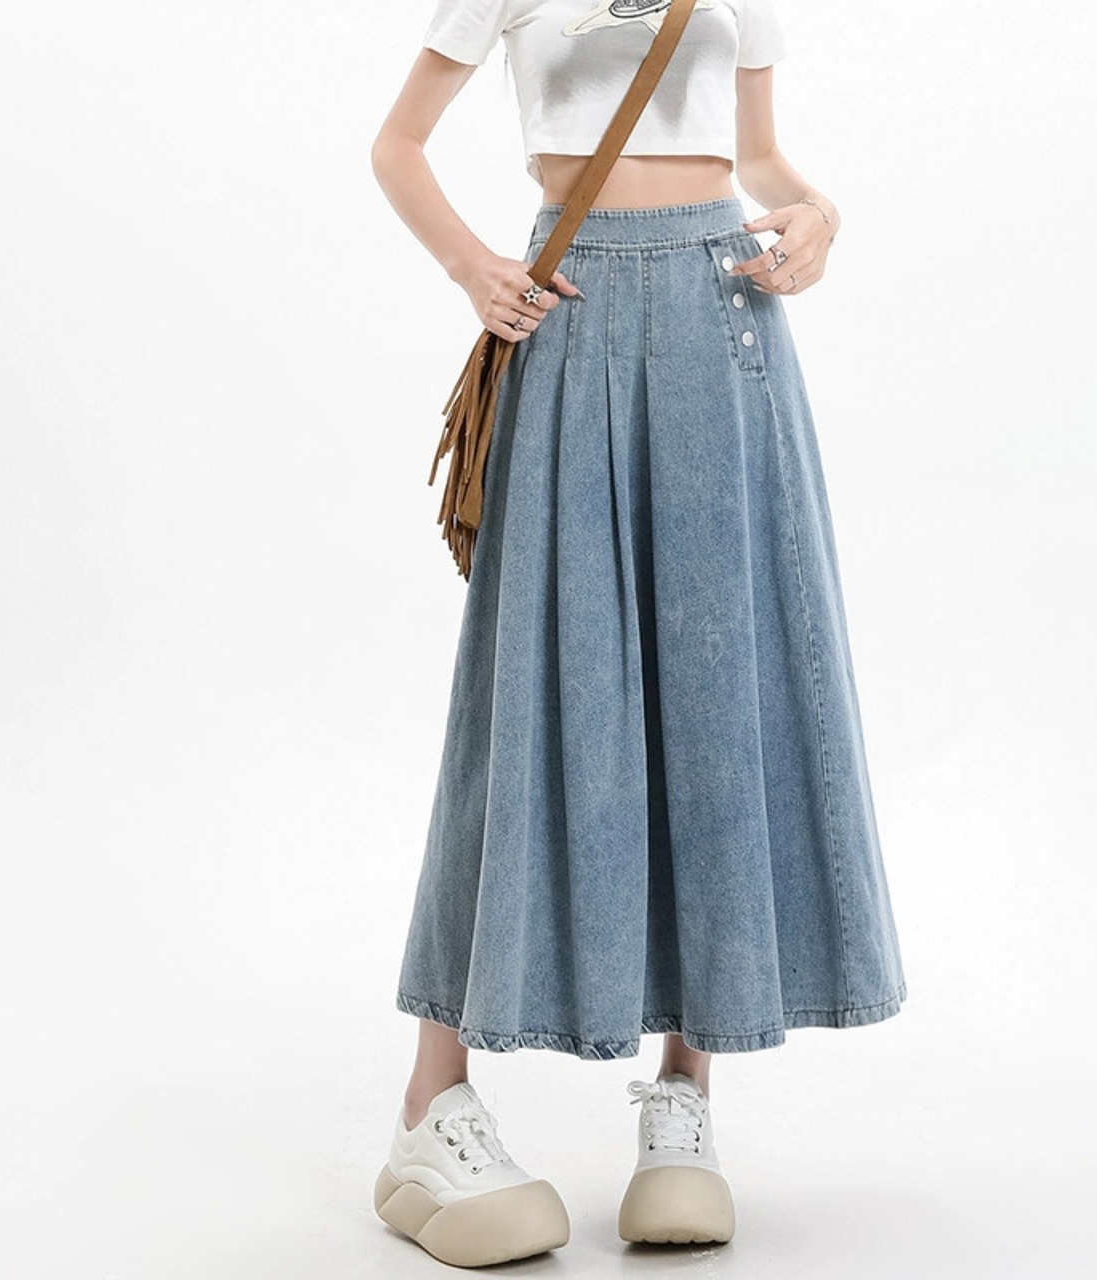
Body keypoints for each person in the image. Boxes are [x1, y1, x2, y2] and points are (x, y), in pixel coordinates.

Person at [368, 0, 907, 1267]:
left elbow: (757, 159)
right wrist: (471, 266)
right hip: (565, 305)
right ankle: (429, 1105)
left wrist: (817, 216)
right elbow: (397, 143)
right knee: (527, 687)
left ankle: (684, 1096)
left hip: (723, 312)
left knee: (717, 687)